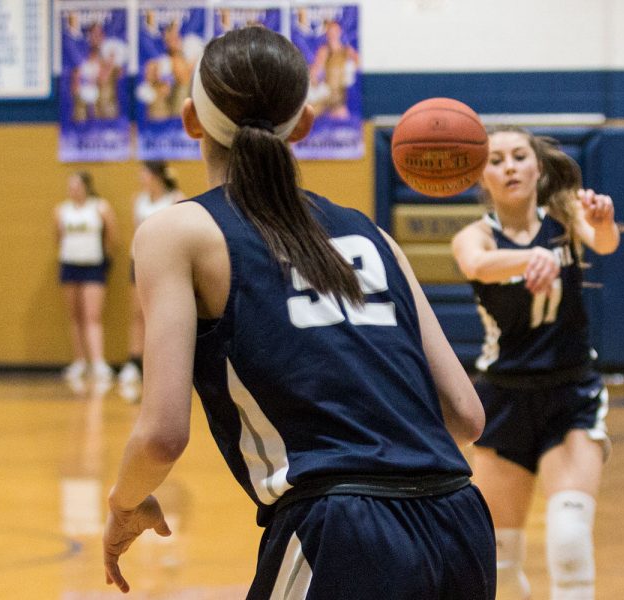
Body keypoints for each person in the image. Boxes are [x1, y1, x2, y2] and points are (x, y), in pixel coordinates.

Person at [103, 27, 495, 599]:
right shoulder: (373, 234)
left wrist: (123, 505)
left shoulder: (177, 231)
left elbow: (162, 435)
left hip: (342, 530)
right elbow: (466, 416)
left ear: (190, 120)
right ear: (305, 124)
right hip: (460, 522)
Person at [451, 128, 621, 600]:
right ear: (482, 177)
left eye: (519, 156)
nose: (509, 166)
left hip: (571, 394)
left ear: (538, 168)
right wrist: (530, 258)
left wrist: (602, 219)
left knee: (569, 538)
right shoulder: (474, 236)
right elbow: (478, 266)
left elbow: (604, 243)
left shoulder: (565, 219)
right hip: (502, 397)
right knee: (499, 563)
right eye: (497, 159)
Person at [117, 161, 183, 388]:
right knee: (138, 313)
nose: (141, 178)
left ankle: (163, 363)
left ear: (156, 176)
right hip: (139, 259)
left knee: (162, 314)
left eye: (144, 173)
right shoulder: (139, 200)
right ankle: (135, 362)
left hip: (165, 263)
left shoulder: (176, 199)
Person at [55, 172, 118, 383]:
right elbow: (58, 237)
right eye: (70, 186)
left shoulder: (100, 207)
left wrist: (105, 260)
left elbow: (111, 237)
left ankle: (98, 362)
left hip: (93, 266)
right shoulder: (61, 211)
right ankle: (79, 361)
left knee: (92, 316)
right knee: (75, 316)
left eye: (76, 186)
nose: (72, 190)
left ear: (86, 187)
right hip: (70, 265)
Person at [307, 20, 359, 120]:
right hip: (326, 96)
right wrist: (314, 83)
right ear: (327, 34)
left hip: (340, 97)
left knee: (345, 123)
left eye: (335, 31)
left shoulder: (347, 51)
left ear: (339, 32)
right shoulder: (324, 51)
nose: (333, 35)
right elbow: (314, 71)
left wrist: (351, 69)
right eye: (330, 32)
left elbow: (358, 64)